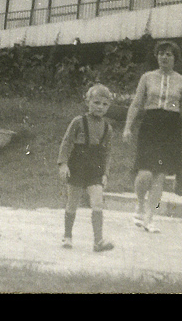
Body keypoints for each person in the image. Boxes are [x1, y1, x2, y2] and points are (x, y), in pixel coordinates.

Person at [122, 41, 182, 234]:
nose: (165, 57)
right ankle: (139, 205)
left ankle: (150, 217)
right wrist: (127, 127)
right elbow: (136, 103)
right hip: (151, 124)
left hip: (171, 128)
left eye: (169, 55)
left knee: (160, 176)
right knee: (145, 173)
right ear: (157, 57)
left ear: (175, 59)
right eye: (161, 54)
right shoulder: (147, 77)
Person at [57, 84, 116, 253]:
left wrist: (105, 173)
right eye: (96, 102)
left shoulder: (107, 128)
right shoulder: (78, 122)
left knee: (97, 202)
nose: (100, 107)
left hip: (95, 168)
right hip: (78, 165)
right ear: (87, 101)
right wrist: (63, 164)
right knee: (72, 202)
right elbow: (67, 142)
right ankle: (67, 235)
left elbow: (107, 153)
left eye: (105, 105)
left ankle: (98, 241)